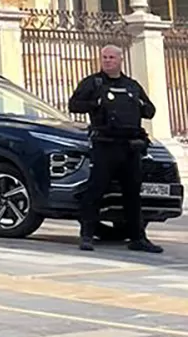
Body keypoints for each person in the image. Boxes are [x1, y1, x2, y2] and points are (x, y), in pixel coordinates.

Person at [69, 45, 162, 255]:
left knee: (132, 194)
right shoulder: (93, 83)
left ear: (120, 60)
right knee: (96, 190)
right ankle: (87, 235)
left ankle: (138, 238)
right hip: (105, 145)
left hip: (130, 147)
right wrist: (95, 104)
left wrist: (140, 106)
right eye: (104, 57)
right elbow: (74, 105)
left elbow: (150, 111)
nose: (108, 60)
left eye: (112, 57)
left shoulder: (131, 86)